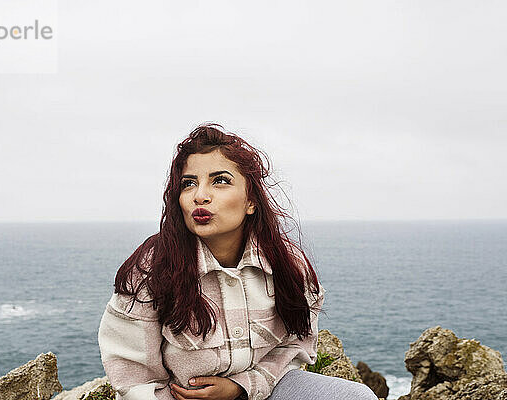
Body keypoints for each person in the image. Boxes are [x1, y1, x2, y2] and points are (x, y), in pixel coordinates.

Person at [98, 124, 378, 400]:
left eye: (220, 180)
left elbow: (296, 345)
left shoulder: (288, 264)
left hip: (267, 392)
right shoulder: (151, 269)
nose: (200, 195)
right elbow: (133, 374)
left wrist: (242, 387)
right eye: (189, 183)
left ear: (251, 202)